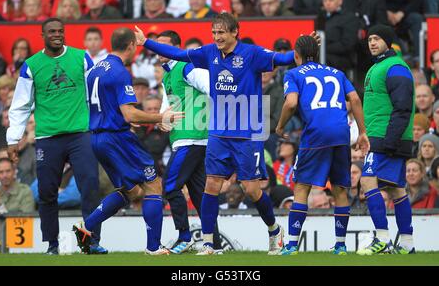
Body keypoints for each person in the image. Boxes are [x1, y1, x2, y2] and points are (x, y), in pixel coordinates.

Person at [134, 13, 318, 255]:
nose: (216, 37)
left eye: (221, 32)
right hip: (219, 132)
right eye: (214, 32)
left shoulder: (252, 54)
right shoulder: (208, 52)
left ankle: (274, 230)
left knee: (251, 190)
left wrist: (303, 47)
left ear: (234, 32)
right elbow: (177, 54)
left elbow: (284, 59)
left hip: (247, 133)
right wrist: (145, 42)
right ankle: (209, 243)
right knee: (211, 185)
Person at [72, 27, 184, 256]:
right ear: (132, 45)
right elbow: (130, 115)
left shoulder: (96, 69)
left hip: (98, 138)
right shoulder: (119, 71)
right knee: (153, 184)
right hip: (117, 139)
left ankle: (87, 227)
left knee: (131, 192)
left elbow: (101, 105)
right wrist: (160, 117)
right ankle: (153, 247)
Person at [6, 18, 105, 255]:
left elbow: (95, 93)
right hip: (48, 138)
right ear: (42, 35)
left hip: (80, 134)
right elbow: (20, 105)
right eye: (52, 31)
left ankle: (90, 241)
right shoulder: (31, 65)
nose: (57, 35)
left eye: (60, 31)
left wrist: (101, 125)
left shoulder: (81, 58)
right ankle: (52, 244)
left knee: (90, 185)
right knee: (47, 192)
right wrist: (13, 139)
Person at [275, 35, 369, 255]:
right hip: (341, 133)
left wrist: (279, 127)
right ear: (316, 54)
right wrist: (363, 131)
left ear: (296, 56)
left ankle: (290, 245)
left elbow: (291, 102)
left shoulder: (293, 73)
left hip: (316, 134)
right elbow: (354, 99)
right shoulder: (337, 73)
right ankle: (340, 245)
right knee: (339, 189)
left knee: (301, 187)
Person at [155, 30, 222, 254]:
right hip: (189, 139)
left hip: (190, 138)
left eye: (164, 46)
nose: (159, 51)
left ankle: (185, 237)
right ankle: (215, 244)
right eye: (157, 46)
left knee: (171, 186)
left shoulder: (186, 67)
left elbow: (213, 87)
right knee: (200, 194)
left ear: (175, 48)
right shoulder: (167, 76)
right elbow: (166, 110)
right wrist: (162, 120)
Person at [358, 24, 415, 255]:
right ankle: (407, 243)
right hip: (381, 136)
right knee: (396, 189)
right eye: (370, 38)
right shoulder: (379, 66)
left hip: (387, 137)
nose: (372, 42)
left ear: (388, 42)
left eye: (377, 38)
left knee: (367, 181)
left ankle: (381, 239)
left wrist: (390, 141)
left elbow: (403, 107)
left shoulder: (395, 67)